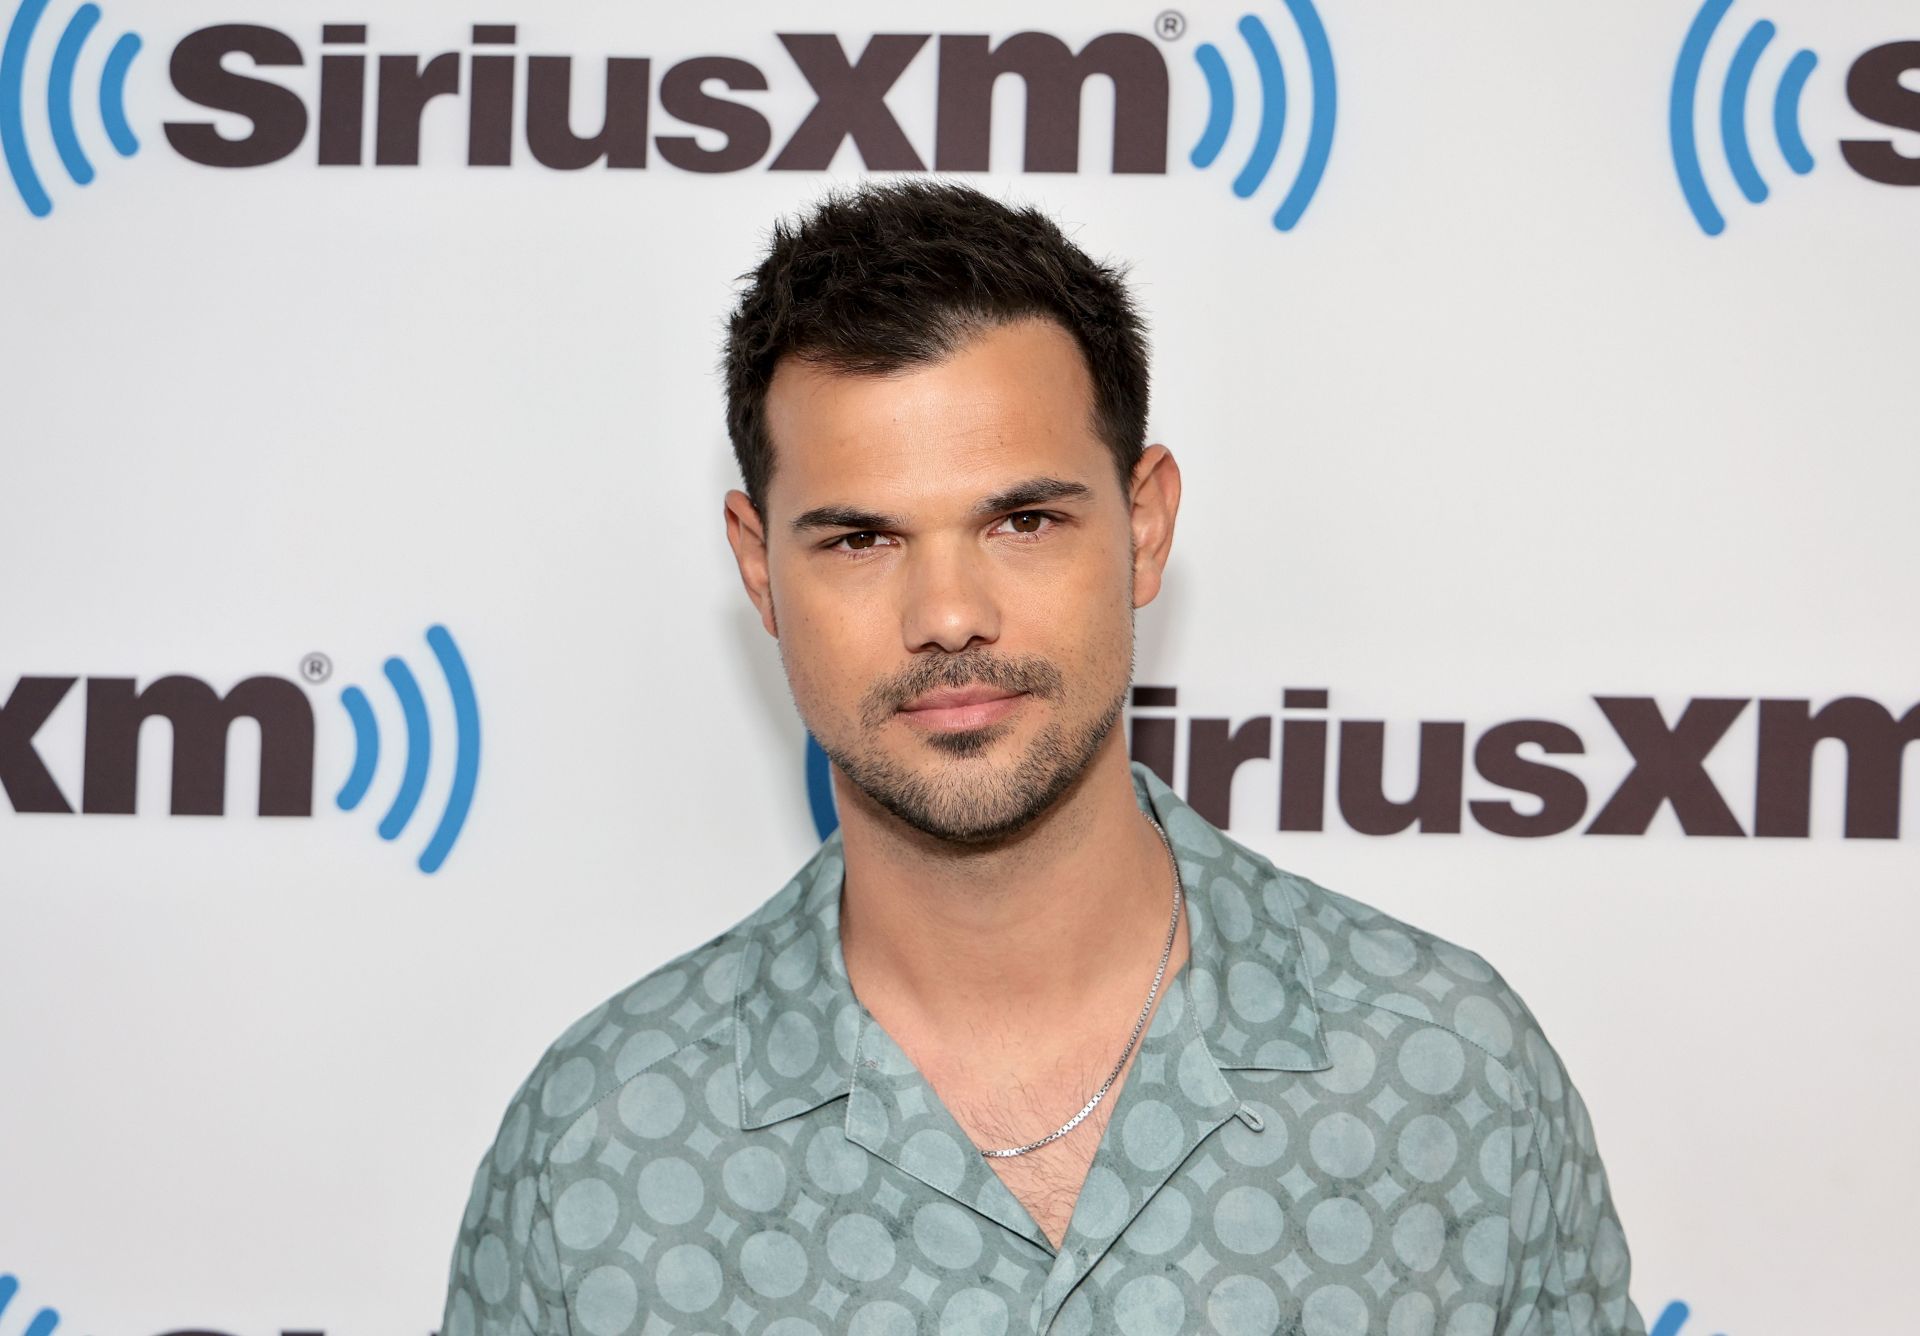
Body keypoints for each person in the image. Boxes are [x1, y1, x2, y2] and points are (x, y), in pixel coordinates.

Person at [439, 180, 1645, 1336]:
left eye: (1024, 522)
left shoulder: (1446, 1072)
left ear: (1146, 526)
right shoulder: (601, 1146)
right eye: (862, 539)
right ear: (759, 568)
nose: (951, 612)